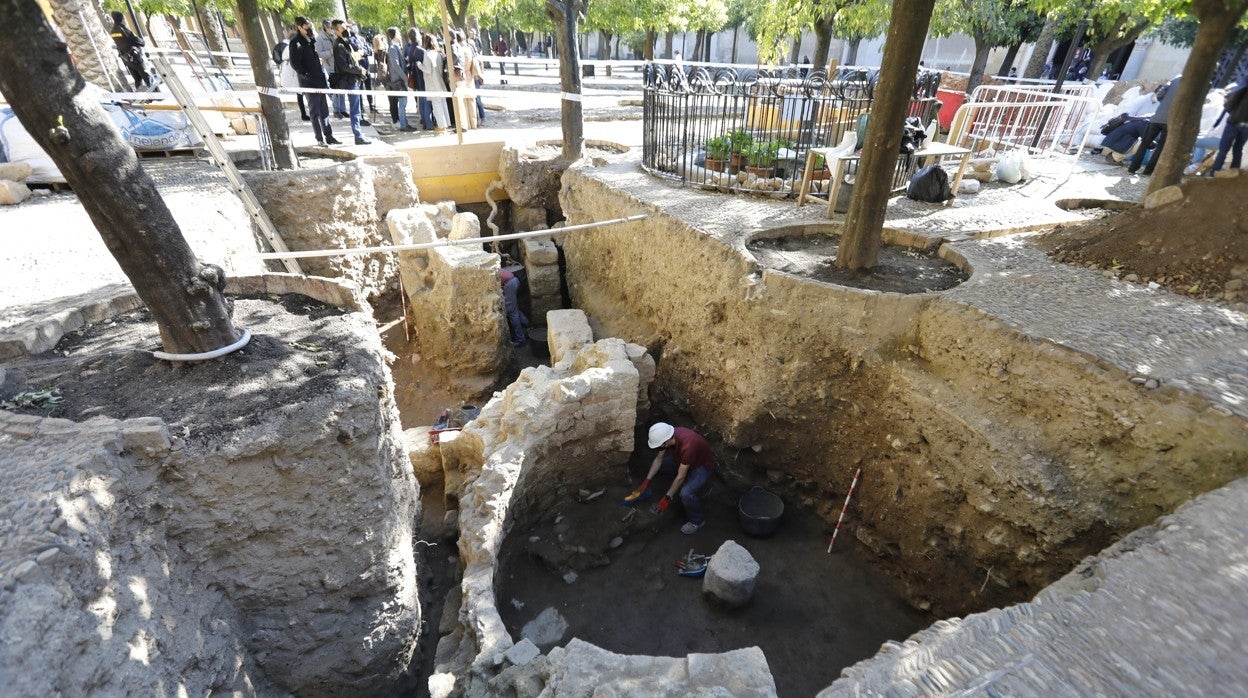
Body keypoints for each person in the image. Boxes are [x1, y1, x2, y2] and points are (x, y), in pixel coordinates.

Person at [624, 422, 714, 534]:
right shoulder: (667, 435)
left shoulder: (688, 445)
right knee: (659, 467)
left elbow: (681, 476)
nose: (659, 448)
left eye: (659, 445)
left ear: (666, 442)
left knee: (686, 493)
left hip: (700, 466)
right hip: (682, 460)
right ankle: (658, 488)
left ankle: (697, 521)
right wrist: (647, 481)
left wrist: (668, 497)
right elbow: (658, 459)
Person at [290, 17, 339, 145]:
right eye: (307, 27)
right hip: (309, 84)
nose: (310, 29)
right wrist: (306, 75)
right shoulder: (295, 42)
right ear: (299, 27)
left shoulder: (311, 40)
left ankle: (329, 136)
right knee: (315, 113)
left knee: (324, 111)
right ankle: (319, 139)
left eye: (310, 26)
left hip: (320, 81)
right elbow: (295, 64)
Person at [1128, 75, 1180, 176]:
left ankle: (1132, 168)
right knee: (1160, 147)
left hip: (1156, 118)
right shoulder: (1194, 85)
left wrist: (1165, 103)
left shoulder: (1175, 80)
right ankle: (1148, 171)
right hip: (1171, 121)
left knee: (1144, 144)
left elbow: (1159, 95)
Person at [331, 19, 370, 145]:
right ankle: (358, 135)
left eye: (345, 27)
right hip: (349, 81)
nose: (346, 29)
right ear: (336, 30)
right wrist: (359, 71)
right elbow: (344, 66)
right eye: (342, 28)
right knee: (354, 109)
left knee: (356, 108)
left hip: (354, 79)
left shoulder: (346, 42)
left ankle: (359, 134)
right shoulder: (339, 45)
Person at [108, 11, 150, 89]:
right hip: (134, 57)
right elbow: (137, 40)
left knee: (137, 79)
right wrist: (142, 42)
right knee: (146, 75)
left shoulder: (113, 31)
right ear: (122, 19)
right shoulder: (123, 29)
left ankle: (143, 97)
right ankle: (156, 95)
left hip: (126, 58)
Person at [1212, 83, 1248, 174]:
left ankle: (1215, 172)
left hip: (1234, 121)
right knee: (1238, 149)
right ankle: (1234, 173)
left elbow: (1231, 100)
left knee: (1223, 150)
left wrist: (1231, 111)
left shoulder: (1244, 85)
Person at [384, 27, 413, 131]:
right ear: (395, 34)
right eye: (399, 34)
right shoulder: (392, 48)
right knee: (402, 102)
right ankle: (403, 125)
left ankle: (404, 123)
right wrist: (405, 77)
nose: (400, 36)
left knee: (403, 102)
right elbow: (396, 65)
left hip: (400, 79)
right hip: (398, 80)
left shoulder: (395, 47)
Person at [421, 33, 451, 131]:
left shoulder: (427, 53)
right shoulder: (439, 53)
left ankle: (441, 126)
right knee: (443, 103)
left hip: (432, 83)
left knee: (436, 105)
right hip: (440, 81)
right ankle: (446, 123)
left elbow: (428, 70)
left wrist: (419, 65)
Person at [316, 20, 346, 118]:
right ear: (325, 28)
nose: (331, 30)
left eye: (332, 28)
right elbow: (319, 54)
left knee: (341, 88)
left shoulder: (334, 36)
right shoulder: (319, 39)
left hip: (339, 66)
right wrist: (330, 52)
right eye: (329, 28)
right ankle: (336, 110)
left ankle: (343, 109)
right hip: (330, 66)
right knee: (335, 89)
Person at [276, 30, 309, 121]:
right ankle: (304, 114)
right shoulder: (291, 47)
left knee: (301, 94)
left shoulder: (288, 47)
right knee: (301, 93)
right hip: (294, 74)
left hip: (292, 73)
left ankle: (304, 113)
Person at [405, 29, 433, 129]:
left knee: (421, 100)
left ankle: (424, 121)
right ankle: (428, 123)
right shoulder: (421, 50)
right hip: (423, 78)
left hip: (416, 78)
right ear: (416, 36)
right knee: (426, 101)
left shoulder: (409, 49)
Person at [498, 264, 528, 347]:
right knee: (514, 308)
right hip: (514, 280)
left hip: (510, 283)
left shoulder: (487, 272)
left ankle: (520, 339)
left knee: (511, 312)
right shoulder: (495, 268)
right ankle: (527, 325)